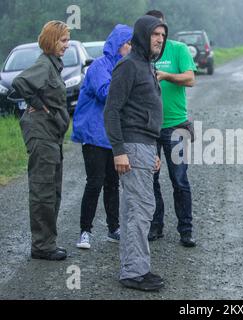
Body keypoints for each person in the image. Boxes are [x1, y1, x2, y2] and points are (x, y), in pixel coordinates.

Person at [104, 15, 167, 292]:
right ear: (142, 35)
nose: (160, 40)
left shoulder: (147, 66)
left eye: (163, 36)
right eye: (155, 35)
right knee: (140, 210)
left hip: (145, 146)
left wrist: (154, 151)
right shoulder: (128, 66)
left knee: (135, 209)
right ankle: (134, 272)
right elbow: (111, 110)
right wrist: (119, 150)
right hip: (131, 145)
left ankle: (135, 268)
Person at [12, 21, 71, 261]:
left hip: (52, 135)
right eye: (63, 40)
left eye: (67, 40)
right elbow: (20, 83)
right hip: (41, 134)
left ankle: (47, 242)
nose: (66, 45)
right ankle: (42, 246)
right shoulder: (44, 64)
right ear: (51, 40)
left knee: (53, 190)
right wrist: (40, 107)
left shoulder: (53, 65)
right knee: (43, 190)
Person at [71, 24, 133, 249]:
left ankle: (113, 228)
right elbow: (106, 93)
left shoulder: (124, 67)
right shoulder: (99, 66)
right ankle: (85, 231)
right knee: (94, 182)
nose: (130, 48)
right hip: (93, 134)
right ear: (118, 44)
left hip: (111, 136)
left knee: (112, 183)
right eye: (128, 43)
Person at [146, 10, 197, 248]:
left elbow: (190, 79)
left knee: (179, 180)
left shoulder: (179, 49)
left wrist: (166, 75)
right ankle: (156, 226)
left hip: (176, 125)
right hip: (149, 128)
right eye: (154, 31)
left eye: (161, 30)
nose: (159, 36)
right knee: (151, 179)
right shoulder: (142, 53)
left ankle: (185, 230)